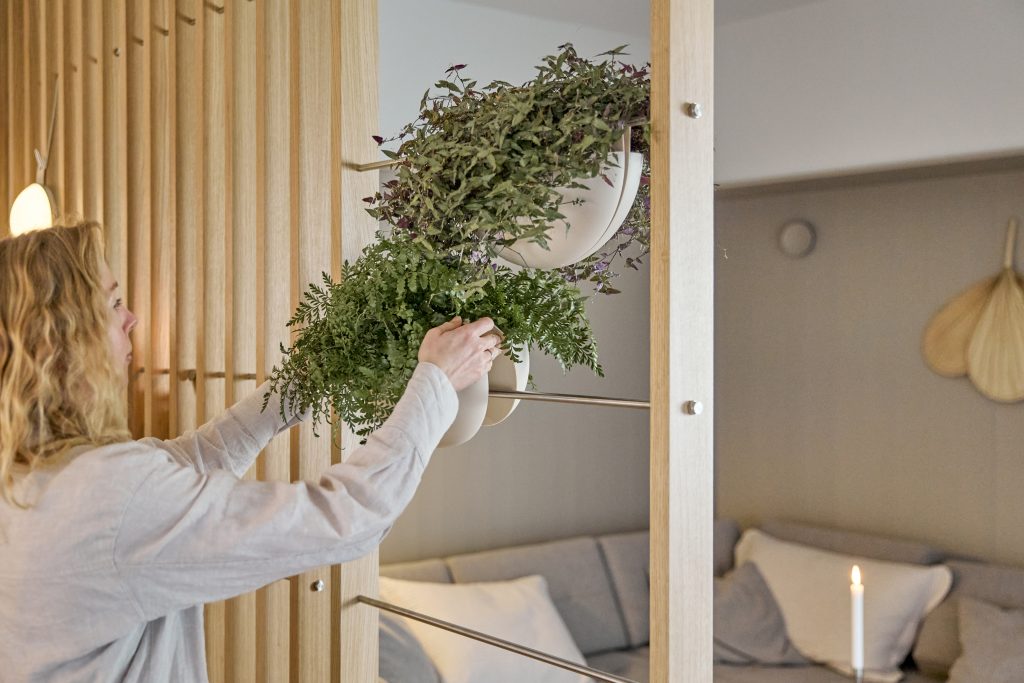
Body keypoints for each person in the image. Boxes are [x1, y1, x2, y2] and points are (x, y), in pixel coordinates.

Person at [0, 220, 499, 682]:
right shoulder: (107, 496)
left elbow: (194, 458)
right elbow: (347, 516)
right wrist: (436, 381)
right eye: (112, 304)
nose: (131, 318)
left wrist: (303, 380)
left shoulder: (33, 474)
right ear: (60, 338)